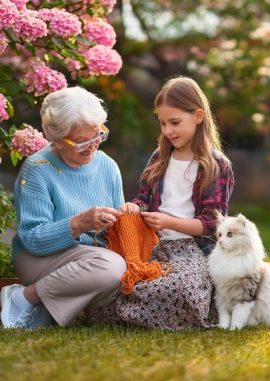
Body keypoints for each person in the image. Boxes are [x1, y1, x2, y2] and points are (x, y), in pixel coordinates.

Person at [87, 76, 234, 330]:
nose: (168, 131)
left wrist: (169, 222)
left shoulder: (215, 165)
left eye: (175, 122)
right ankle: (133, 311)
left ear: (198, 115)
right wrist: (134, 207)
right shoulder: (160, 157)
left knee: (182, 288)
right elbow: (143, 198)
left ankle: (118, 312)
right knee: (124, 276)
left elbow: (212, 224)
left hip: (191, 249)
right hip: (151, 243)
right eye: (163, 123)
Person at [0, 86, 127, 329]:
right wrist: (80, 223)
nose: (92, 147)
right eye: (81, 142)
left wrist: (128, 216)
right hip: (41, 256)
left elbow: (117, 229)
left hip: (91, 258)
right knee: (111, 269)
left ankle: (36, 308)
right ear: (57, 140)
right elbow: (32, 239)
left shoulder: (108, 166)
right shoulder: (37, 168)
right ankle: (24, 297)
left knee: (122, 268)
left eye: (98, 135)